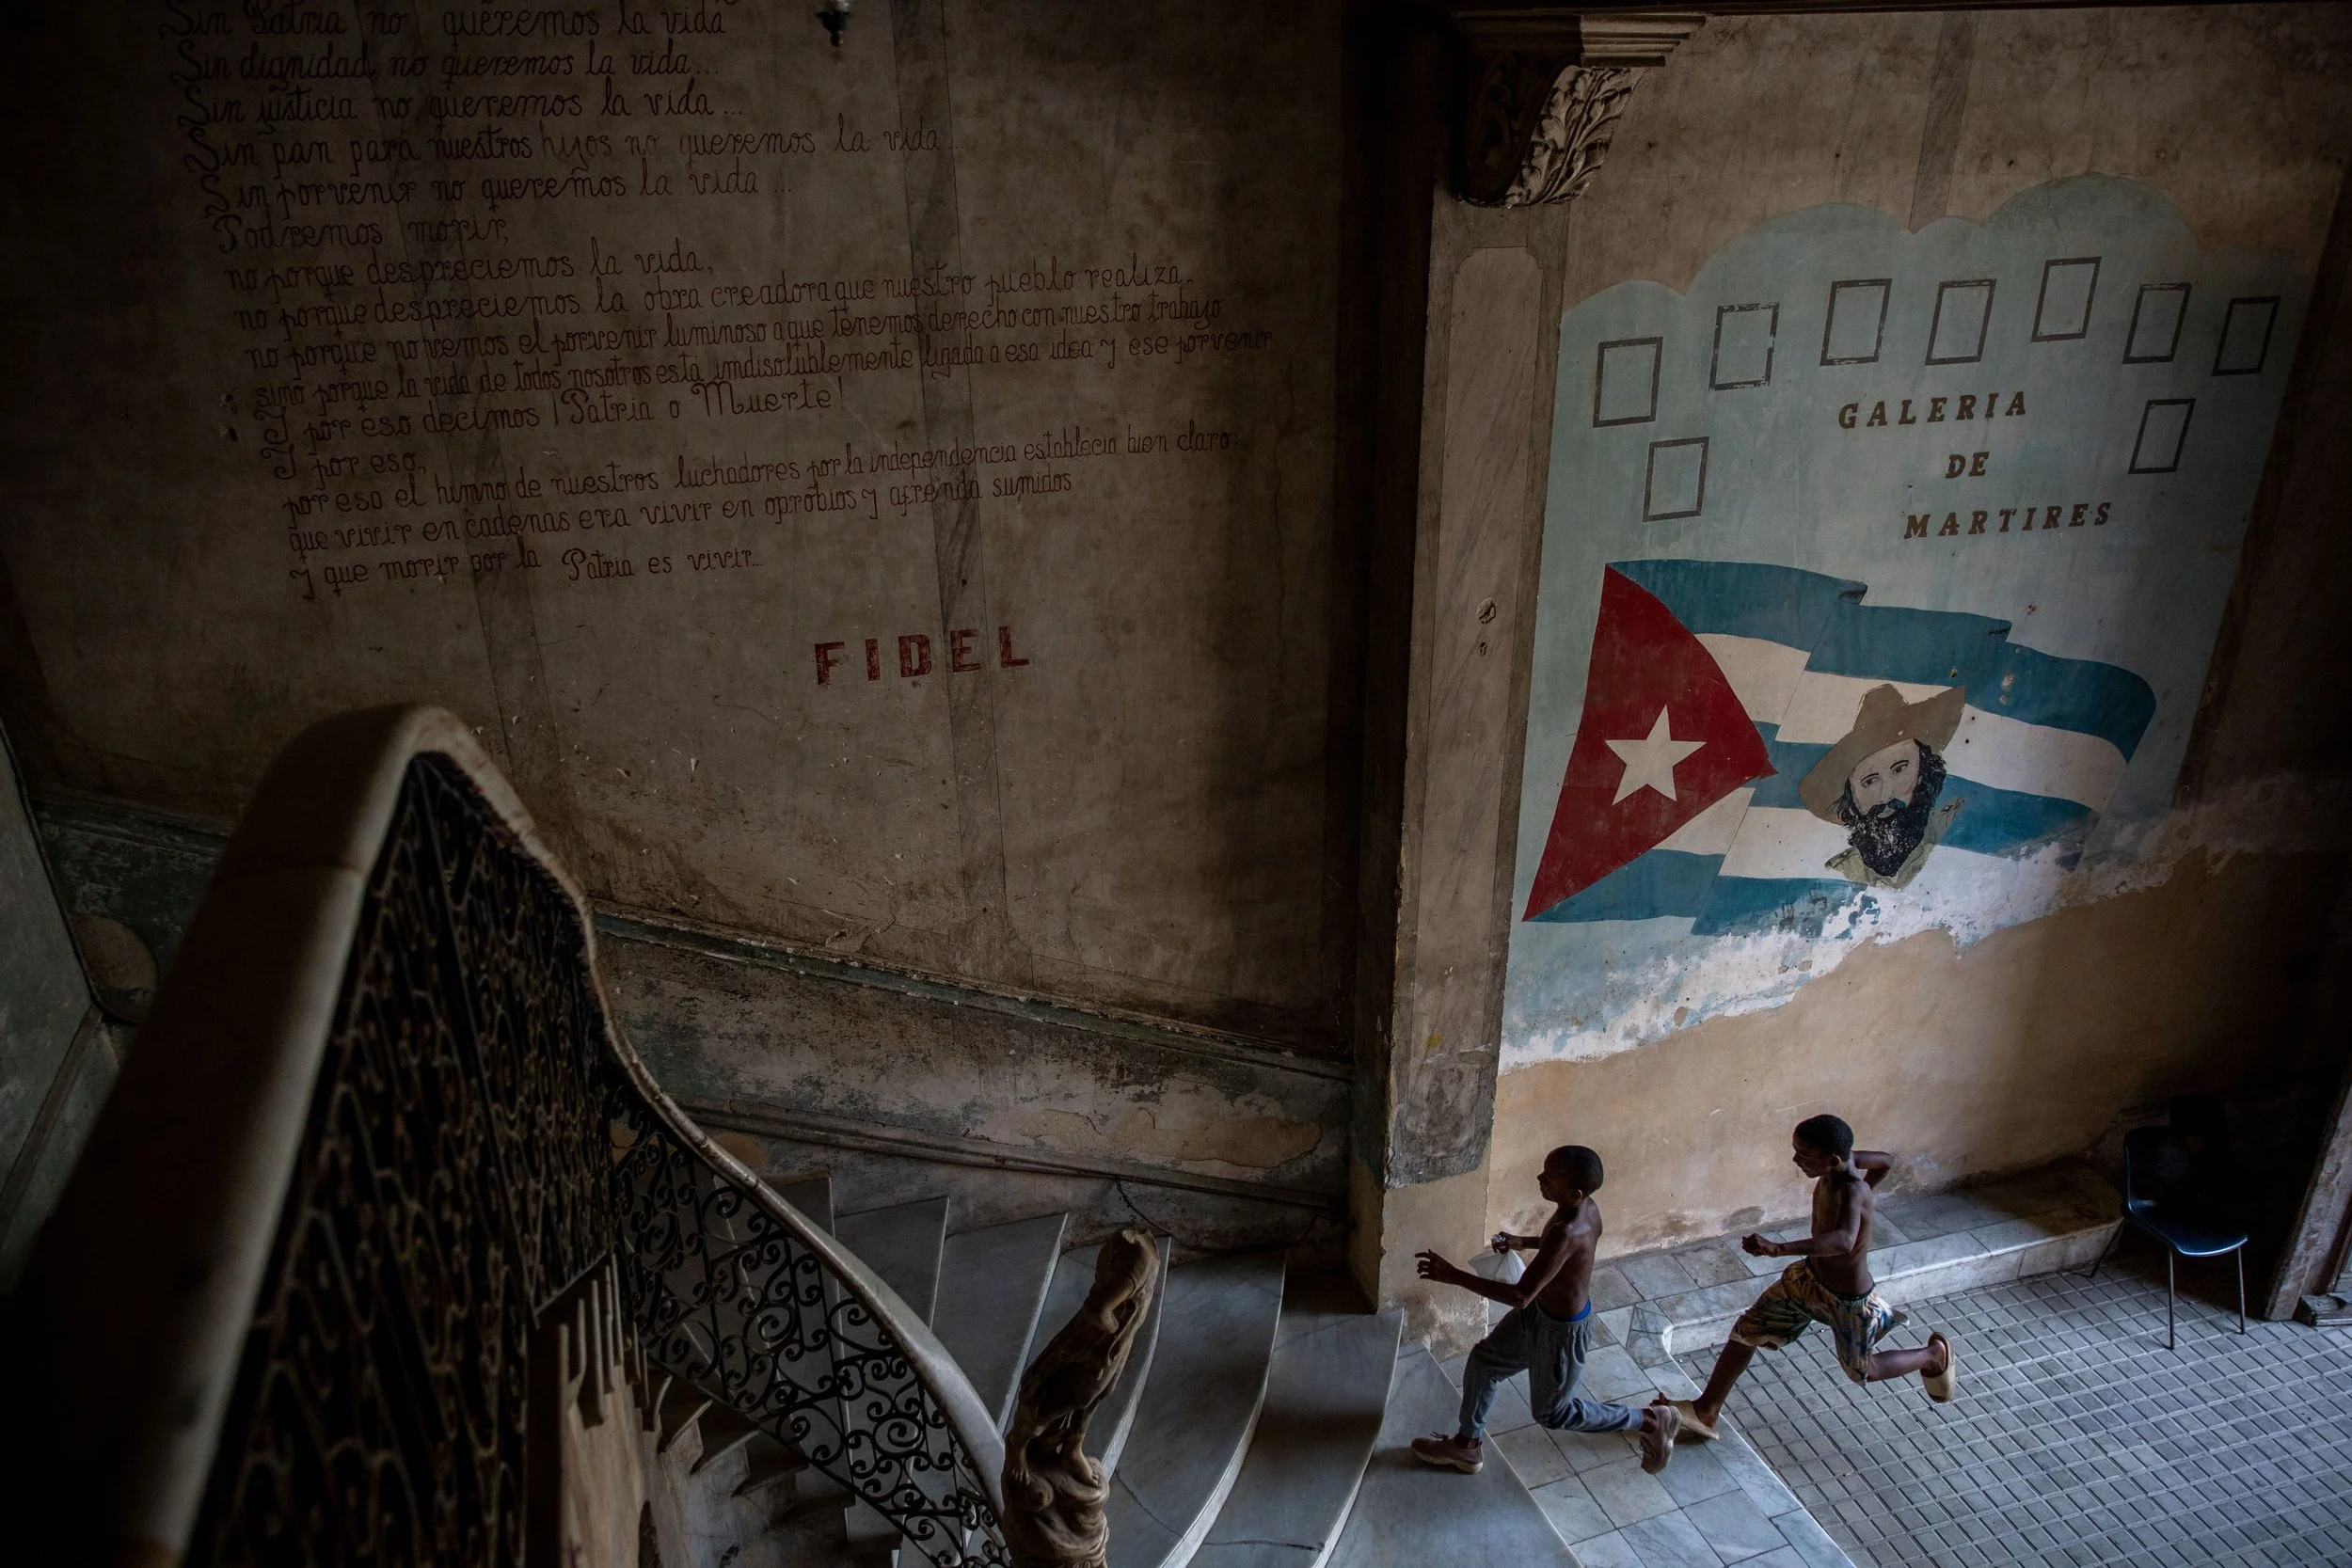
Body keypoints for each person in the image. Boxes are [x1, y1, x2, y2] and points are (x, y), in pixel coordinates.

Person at [1671, 1115, 1956, 1440]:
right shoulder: (1846, 1164)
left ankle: (1933, 1356)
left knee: (1862, 1370)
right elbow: (1886, 1162)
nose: (1796, 1160)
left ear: (1832, 1160)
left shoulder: (1851, 1191)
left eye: (1804, 1155)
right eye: (1797, 1151)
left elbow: (1844, 1240)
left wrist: (1780, 1248)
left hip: (1848, 1301)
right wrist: (1870, 1190)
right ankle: (1707, 1410)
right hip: (1806, 1282)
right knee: (1747, 1330)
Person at [1409, 1145, 1679, 1476]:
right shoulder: (1583, 1209)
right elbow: (1558, 1246)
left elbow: (1521, 1295)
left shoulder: (1570, 1228)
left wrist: (1453, 1276)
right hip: (1538, 1313)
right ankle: (1466, 1446)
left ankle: (1650, 1420)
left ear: (1573, 1191)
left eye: (1550, 1177)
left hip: (1561, 1334)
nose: (1541, 1178)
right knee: (1484, 1362)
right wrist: (1523, 1242)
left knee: (1554, 1413)